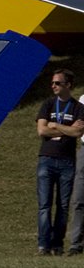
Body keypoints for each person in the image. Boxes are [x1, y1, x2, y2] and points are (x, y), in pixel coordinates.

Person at [36, 70, 84, 256]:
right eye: (53, 83)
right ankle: (43, 246)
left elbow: (78, 133)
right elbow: (41, 131)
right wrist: (65, 130)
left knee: (63, 206)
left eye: (57, 83)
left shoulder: (77, 107)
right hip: (46, 159)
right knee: (44, 205)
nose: (53, 86)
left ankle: (57, 245)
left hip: (67, 160)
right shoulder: (48, 104)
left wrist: (54, 126)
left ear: (68, 85)